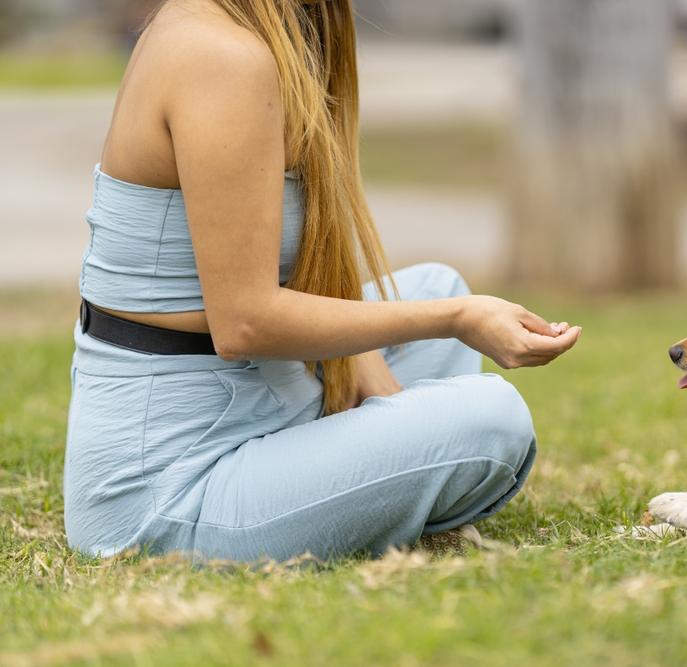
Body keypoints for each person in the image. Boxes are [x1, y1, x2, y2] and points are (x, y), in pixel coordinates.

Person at [64, 0, 581, 562]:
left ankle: (361, 472)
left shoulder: (249, 34)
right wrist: (457, 320)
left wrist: (361, 354)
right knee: (493, 419)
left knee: (438, 282)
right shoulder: (222, 58)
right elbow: (245, 322)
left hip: (259, 398)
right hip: (169, 492)